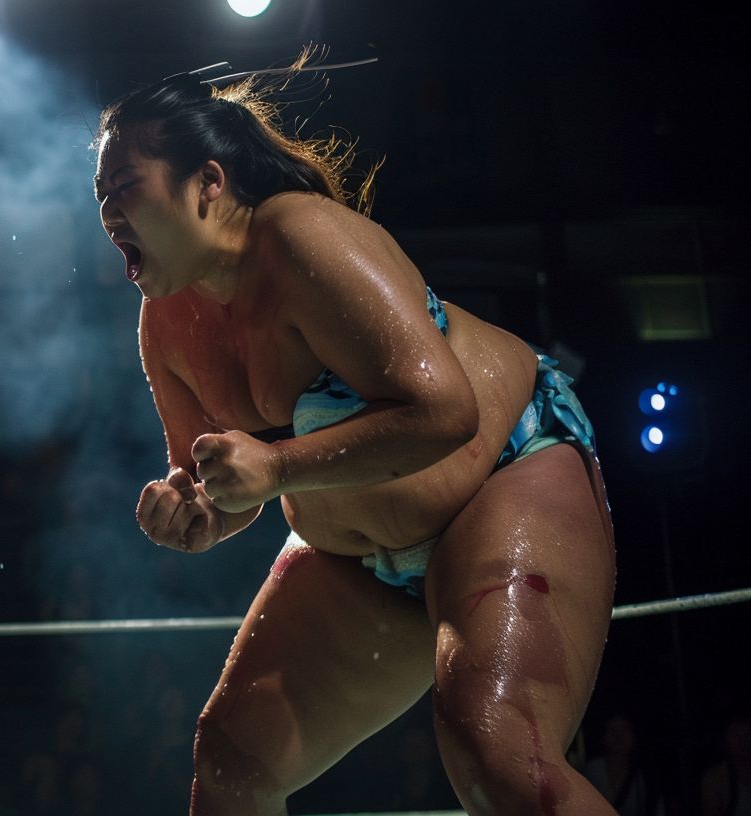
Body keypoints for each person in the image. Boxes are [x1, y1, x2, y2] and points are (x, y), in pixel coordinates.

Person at [92, 61, 617, 814]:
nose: (108, 211)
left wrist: (276, 467)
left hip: (505, 474)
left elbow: (445, 412)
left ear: (207, 183)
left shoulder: (300, 234)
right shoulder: (164, 320)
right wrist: (196, 512)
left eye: (124, 186)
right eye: (101, 196)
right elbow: (217, 483)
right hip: (358, 558)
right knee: (234, 763)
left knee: (500, 755)